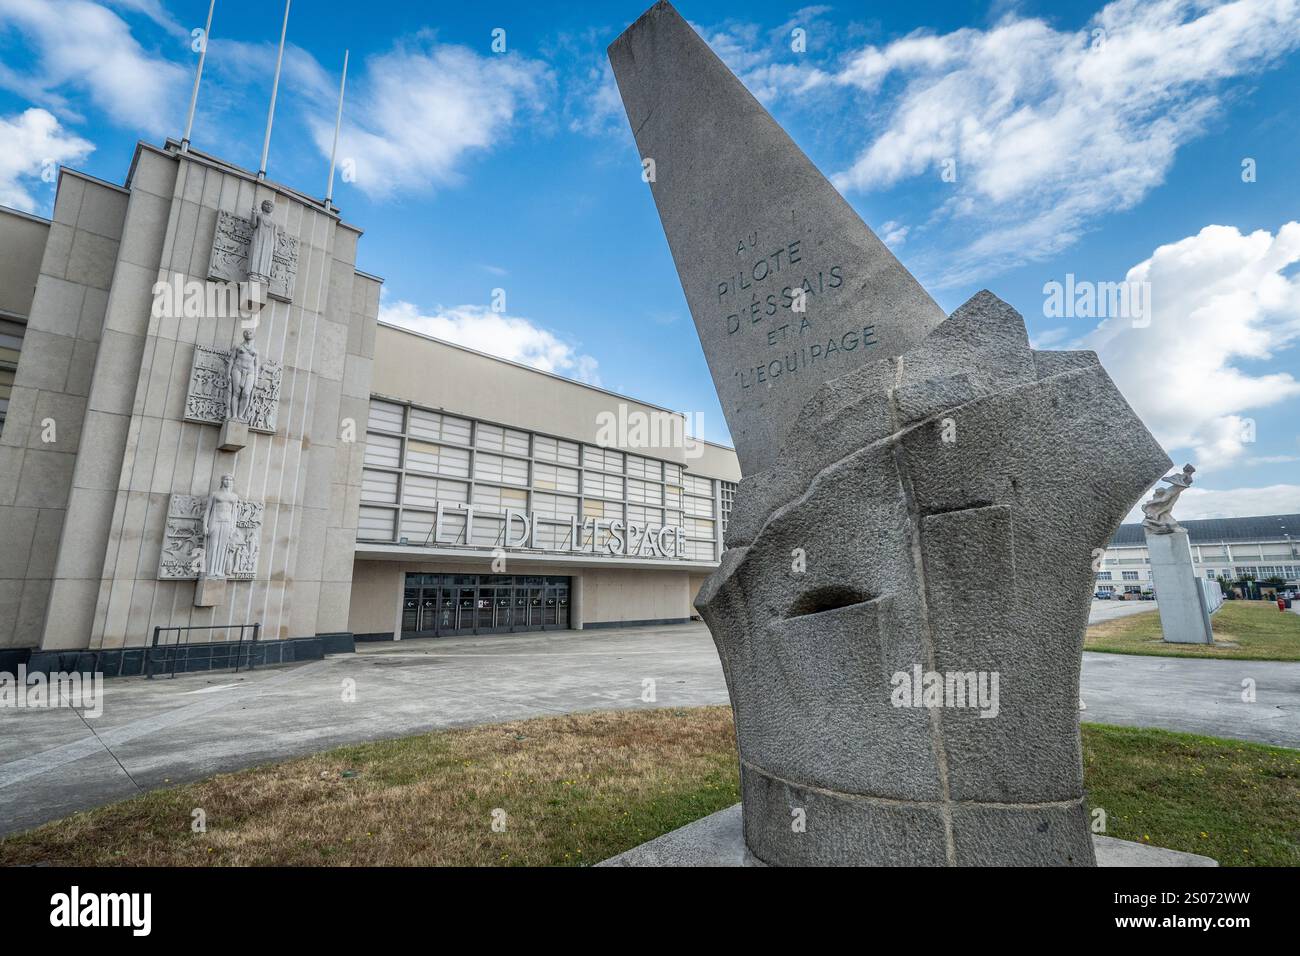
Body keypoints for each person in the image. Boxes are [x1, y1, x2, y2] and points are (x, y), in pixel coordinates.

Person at [203, 474, 240, 577]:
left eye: (230, 480)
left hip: (227, 523)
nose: (228, 481)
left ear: (232, 482)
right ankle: (211, 570)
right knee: (214, 546)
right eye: (226, 479)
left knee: (223, 547)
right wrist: (204, 525)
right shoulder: (215, 494)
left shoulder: (234, 496)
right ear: (222, 481)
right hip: (215, 521)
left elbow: (234, 513)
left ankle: (219, 570)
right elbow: (208, 510)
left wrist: (233, 527)